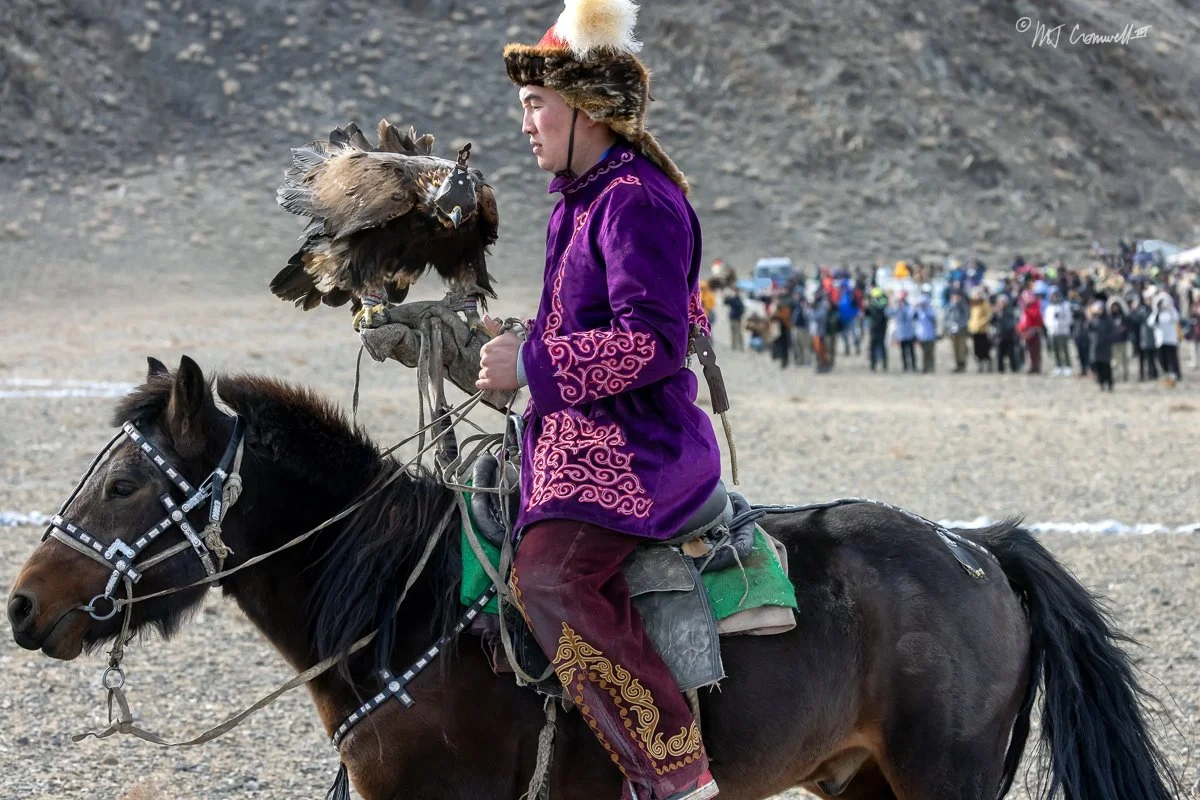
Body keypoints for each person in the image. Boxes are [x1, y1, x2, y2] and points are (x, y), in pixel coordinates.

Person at [484, 6, 720, 798]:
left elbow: (650, 343)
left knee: (547, 578)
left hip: (640, 447)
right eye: (524, 104)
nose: (525, 121)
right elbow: (572, 328)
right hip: (579, 433)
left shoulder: (635, 201)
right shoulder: (579, 201)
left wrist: (532, 367)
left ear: (585, 107)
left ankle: (676, 771)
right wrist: (504, 343)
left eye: (536, 103)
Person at [1149, 290, 1181, 384]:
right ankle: (1166, 373)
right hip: (1160, 340)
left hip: (1171, 339)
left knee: (1172, 358)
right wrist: (1157, 312)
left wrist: (1170, 309)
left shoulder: (1171, 311)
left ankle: (1175, 374)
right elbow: (1151, 323)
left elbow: (1176, 318)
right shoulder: (1156, 313)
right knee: (1162, 359)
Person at [1087, 300, 1116, 391]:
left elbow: (1113, 331)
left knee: (1106, 367)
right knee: (1098, 366)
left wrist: (1108, 338)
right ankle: (1101, 383)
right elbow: (1088, 329)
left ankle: (1109, 383)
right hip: (1096, 346)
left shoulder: (1108, 319)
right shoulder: (1094, 319)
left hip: (1105, 347)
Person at [1044, 288, 1073, 376]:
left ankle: (1068, 366)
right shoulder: (1049, 307)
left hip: (1063, 331)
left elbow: (1069, 319)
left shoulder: (1064, 306)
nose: (1054, 297)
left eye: (1055, 295)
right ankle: (1058, 366)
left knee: (1064, 350)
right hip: (1053, 332)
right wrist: (1050, 327)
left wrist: (1062, 324)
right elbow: (1047, 320)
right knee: (1055, 350)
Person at [1016, 290, 1044, 375]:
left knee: (1035, 351)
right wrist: (1019, 328)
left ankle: (1036, 367)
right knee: (1027, 352)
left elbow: (1037, 318)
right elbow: (1022, 320)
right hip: (1025, 332)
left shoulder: (1035, 306)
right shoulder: (1024, 308)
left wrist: (1027, 310)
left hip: (1034, 330)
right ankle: (1030, 366)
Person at [864, 287, 890, 372]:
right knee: (878, 346)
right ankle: (877, 365)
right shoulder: (880, 304)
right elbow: (867, 313)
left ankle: (878, 365)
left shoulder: (878, 305)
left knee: (876, 346)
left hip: (877, 328)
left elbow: (868, 314)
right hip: (878, 328)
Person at [943, 290, 970, 372]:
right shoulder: (949, 306)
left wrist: (959, 325)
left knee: (962, 348)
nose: (955, 298)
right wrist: (949, 326)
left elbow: (966, 317)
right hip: (952, 331)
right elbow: (946, 318)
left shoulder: (963, 306)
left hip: (961, 330)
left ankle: (962, 364)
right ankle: (957, 364)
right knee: (955, 348)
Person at [967, 288, 993, 371]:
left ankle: (988, 364)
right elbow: (972, 317)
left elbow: (988, 316)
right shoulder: (973, 305)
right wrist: (970, 325)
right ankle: (980, 365)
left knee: (984, 348)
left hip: (983, 330)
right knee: (976, 349)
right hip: (974, 330)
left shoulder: (984, 304)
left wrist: (981, 323)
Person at [992, 295, 1019, 374]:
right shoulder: (997, 311)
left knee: (1011, 353)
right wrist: (995, 314)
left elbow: (1012, 322)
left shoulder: (1009, 310)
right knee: (1000, 353)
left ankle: (1014, 368)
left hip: (1009, 334)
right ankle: (1000, 368)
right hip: (999, 335)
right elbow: (993, 322)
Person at [893, 291, 917, 372]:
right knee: (903, 352)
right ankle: (905, 366)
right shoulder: (897, 308)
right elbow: (889, 313)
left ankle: (914, 366)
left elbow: (911, 315)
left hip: (909, 332)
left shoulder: (909, 307)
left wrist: (903, 308)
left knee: (911, 351)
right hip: (901, 334)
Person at [914, 293, 938, 373]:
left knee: (930, 352)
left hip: (930, 335)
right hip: (921, 335)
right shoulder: (918, 312)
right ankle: (925, 367)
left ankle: (931, 367)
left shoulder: (930, 311)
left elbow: (934, 320)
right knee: (924, 352)